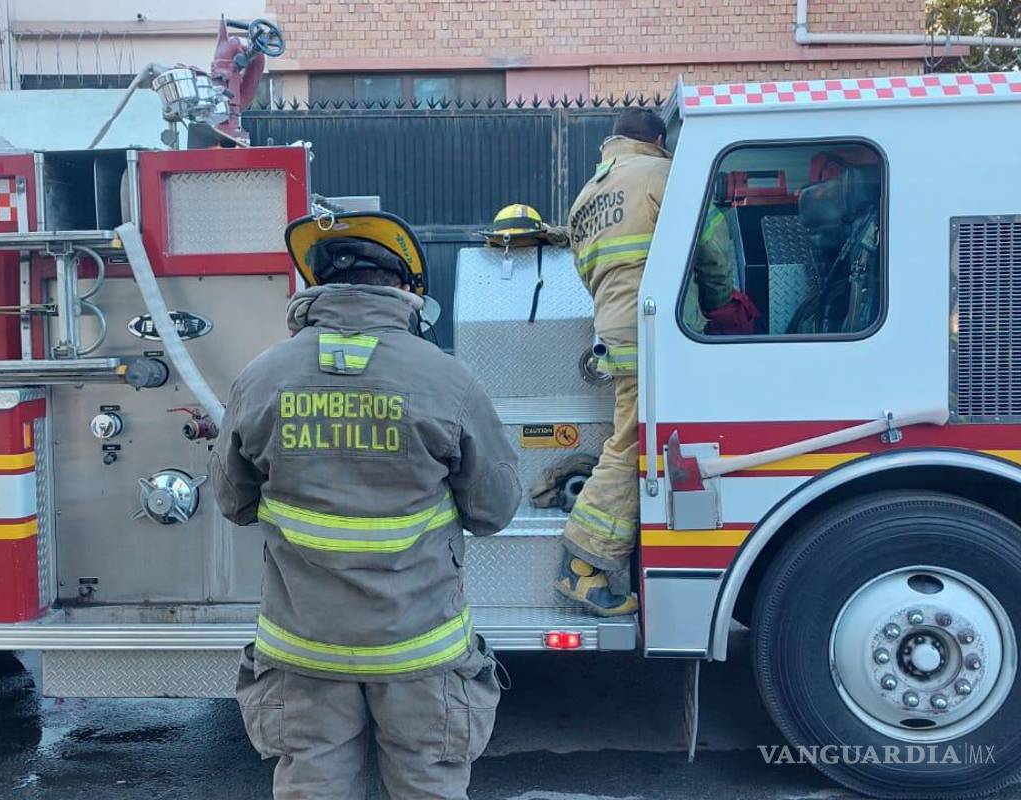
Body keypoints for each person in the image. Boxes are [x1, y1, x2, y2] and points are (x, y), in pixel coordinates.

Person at [211, 210, 522, 799]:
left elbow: (232, 500)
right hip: (420, 651)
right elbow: (494, 509)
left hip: (303, 650)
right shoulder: (447, 380)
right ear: (405, 290)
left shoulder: (260, 378)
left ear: (318, 286)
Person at [556, 107, 740, 616]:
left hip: (615, 331)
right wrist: (720, 305)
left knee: (635, 436)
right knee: (632, 443)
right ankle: (583, 567)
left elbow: (589, 274)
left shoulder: (585, 199)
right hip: (660, 334)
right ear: (658, 141)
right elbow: (713, 251)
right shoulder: (665, 176)